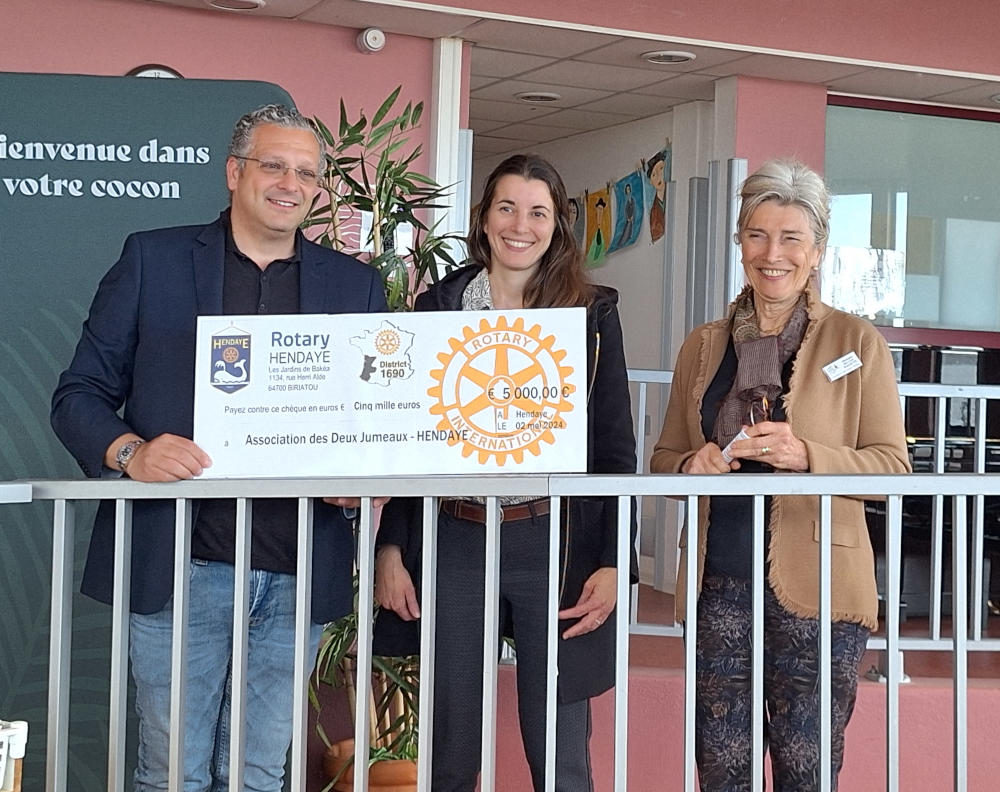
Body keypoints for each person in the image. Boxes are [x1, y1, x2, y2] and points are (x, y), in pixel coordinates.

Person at [50, 104, 388, 792]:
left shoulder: (354, 286)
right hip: (181, 561)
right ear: (235, 172)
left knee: (260, 772)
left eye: (306, 173)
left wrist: (360, 475)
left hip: (296, 568)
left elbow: (371, 421)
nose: (290, 183)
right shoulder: (155, 258)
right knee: (172, 770)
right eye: (273, 165)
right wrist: (127, 452)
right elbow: (77, 394)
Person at [373, 153, 637, 791]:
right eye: (507, 208)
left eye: (538, 212)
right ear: (484, 219)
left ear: (558, 225)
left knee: (559, 746)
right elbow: (415, 440)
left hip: (554, 540)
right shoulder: (437, 306)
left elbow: (614, 447)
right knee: (450, 744)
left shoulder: (591, 313)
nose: (522, 224)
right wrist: (390, 547)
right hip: (457, 539)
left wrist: (614, 560)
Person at [649, 159, 910, 792]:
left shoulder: (857, 341)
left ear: (817, 251)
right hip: (720, 587)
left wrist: (809, 457)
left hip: (820, 591)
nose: (773, 254)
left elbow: (892, 468)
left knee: (808, 766)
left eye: (791, 238)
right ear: (740, 243)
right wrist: (693, 462)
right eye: (758, 235)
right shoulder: (704, 346)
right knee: (721, 768)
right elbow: (664, 457)